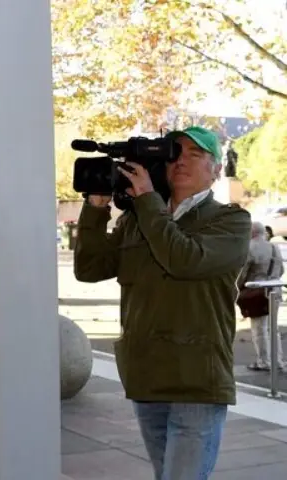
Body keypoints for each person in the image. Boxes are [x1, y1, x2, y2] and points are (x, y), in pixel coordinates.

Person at [74, 126, 251, 479]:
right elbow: (89, 268)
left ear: (216, 170)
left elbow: (183, 259)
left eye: (195, 155)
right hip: (147, 376)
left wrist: (146, 200)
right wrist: (95, 208)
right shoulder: (139, 218)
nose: (181, 161)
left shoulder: (231, 221)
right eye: (175, 155)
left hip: (196, 381)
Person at [237, 221, 285, 371]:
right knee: (273, 328)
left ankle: (264, 361)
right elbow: (281, 270)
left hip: (256, 292)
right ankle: (277, 360)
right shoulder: (274, 247)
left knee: (259, 329)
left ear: (251, 232)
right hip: (275, 290)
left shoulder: (249, 248)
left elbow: (242, 274)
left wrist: (238, 289)